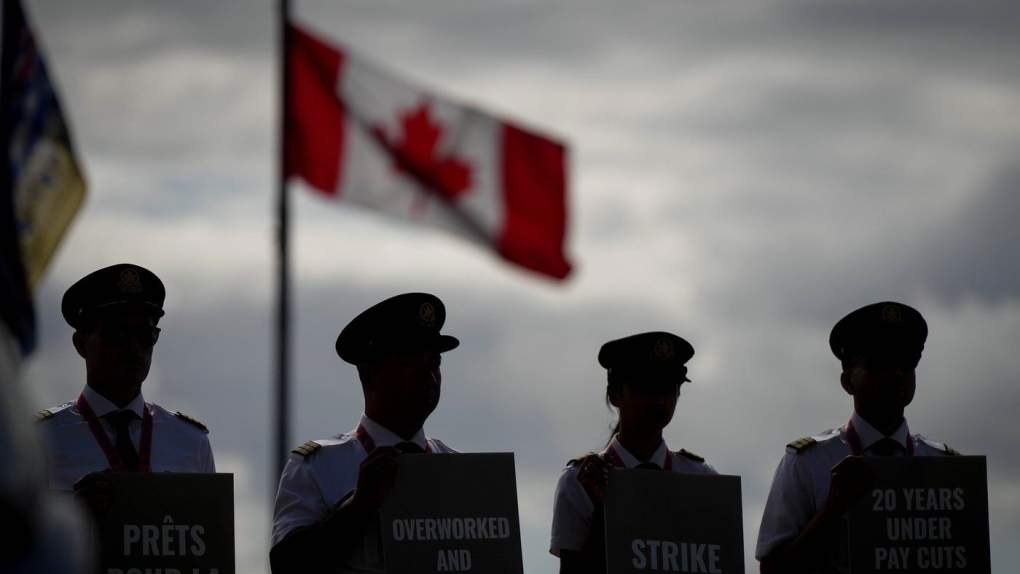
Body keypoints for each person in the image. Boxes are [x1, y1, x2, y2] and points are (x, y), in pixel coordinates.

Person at [756, 301, 962, 574]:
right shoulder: (807, 463)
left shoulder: (946, 467)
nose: (895, 373)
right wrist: (832, 509)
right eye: (879, 363)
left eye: (906, 362)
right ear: (847, 382)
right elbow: (772, 570)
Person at [270, 292, 460, 574]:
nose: (428, 377)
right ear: (368, 375)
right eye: (411, 362)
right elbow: (287, 566)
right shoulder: (317, 466)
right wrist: (359, 507)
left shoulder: (459, 470)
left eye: (434, 363)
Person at [35, 263, 215, 517]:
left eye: (145, 334)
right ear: (81, 344)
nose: (133, 346)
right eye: (117, 333)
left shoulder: (191, 441)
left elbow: (210, 542)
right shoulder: (40, 440)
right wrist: (69, 515)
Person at [550, 331, 718, 574]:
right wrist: (602, 513)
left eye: (668, 389)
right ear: (614, 395)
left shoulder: (702, 479)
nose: (657, 400)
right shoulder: (579, 481)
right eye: (644, 388)